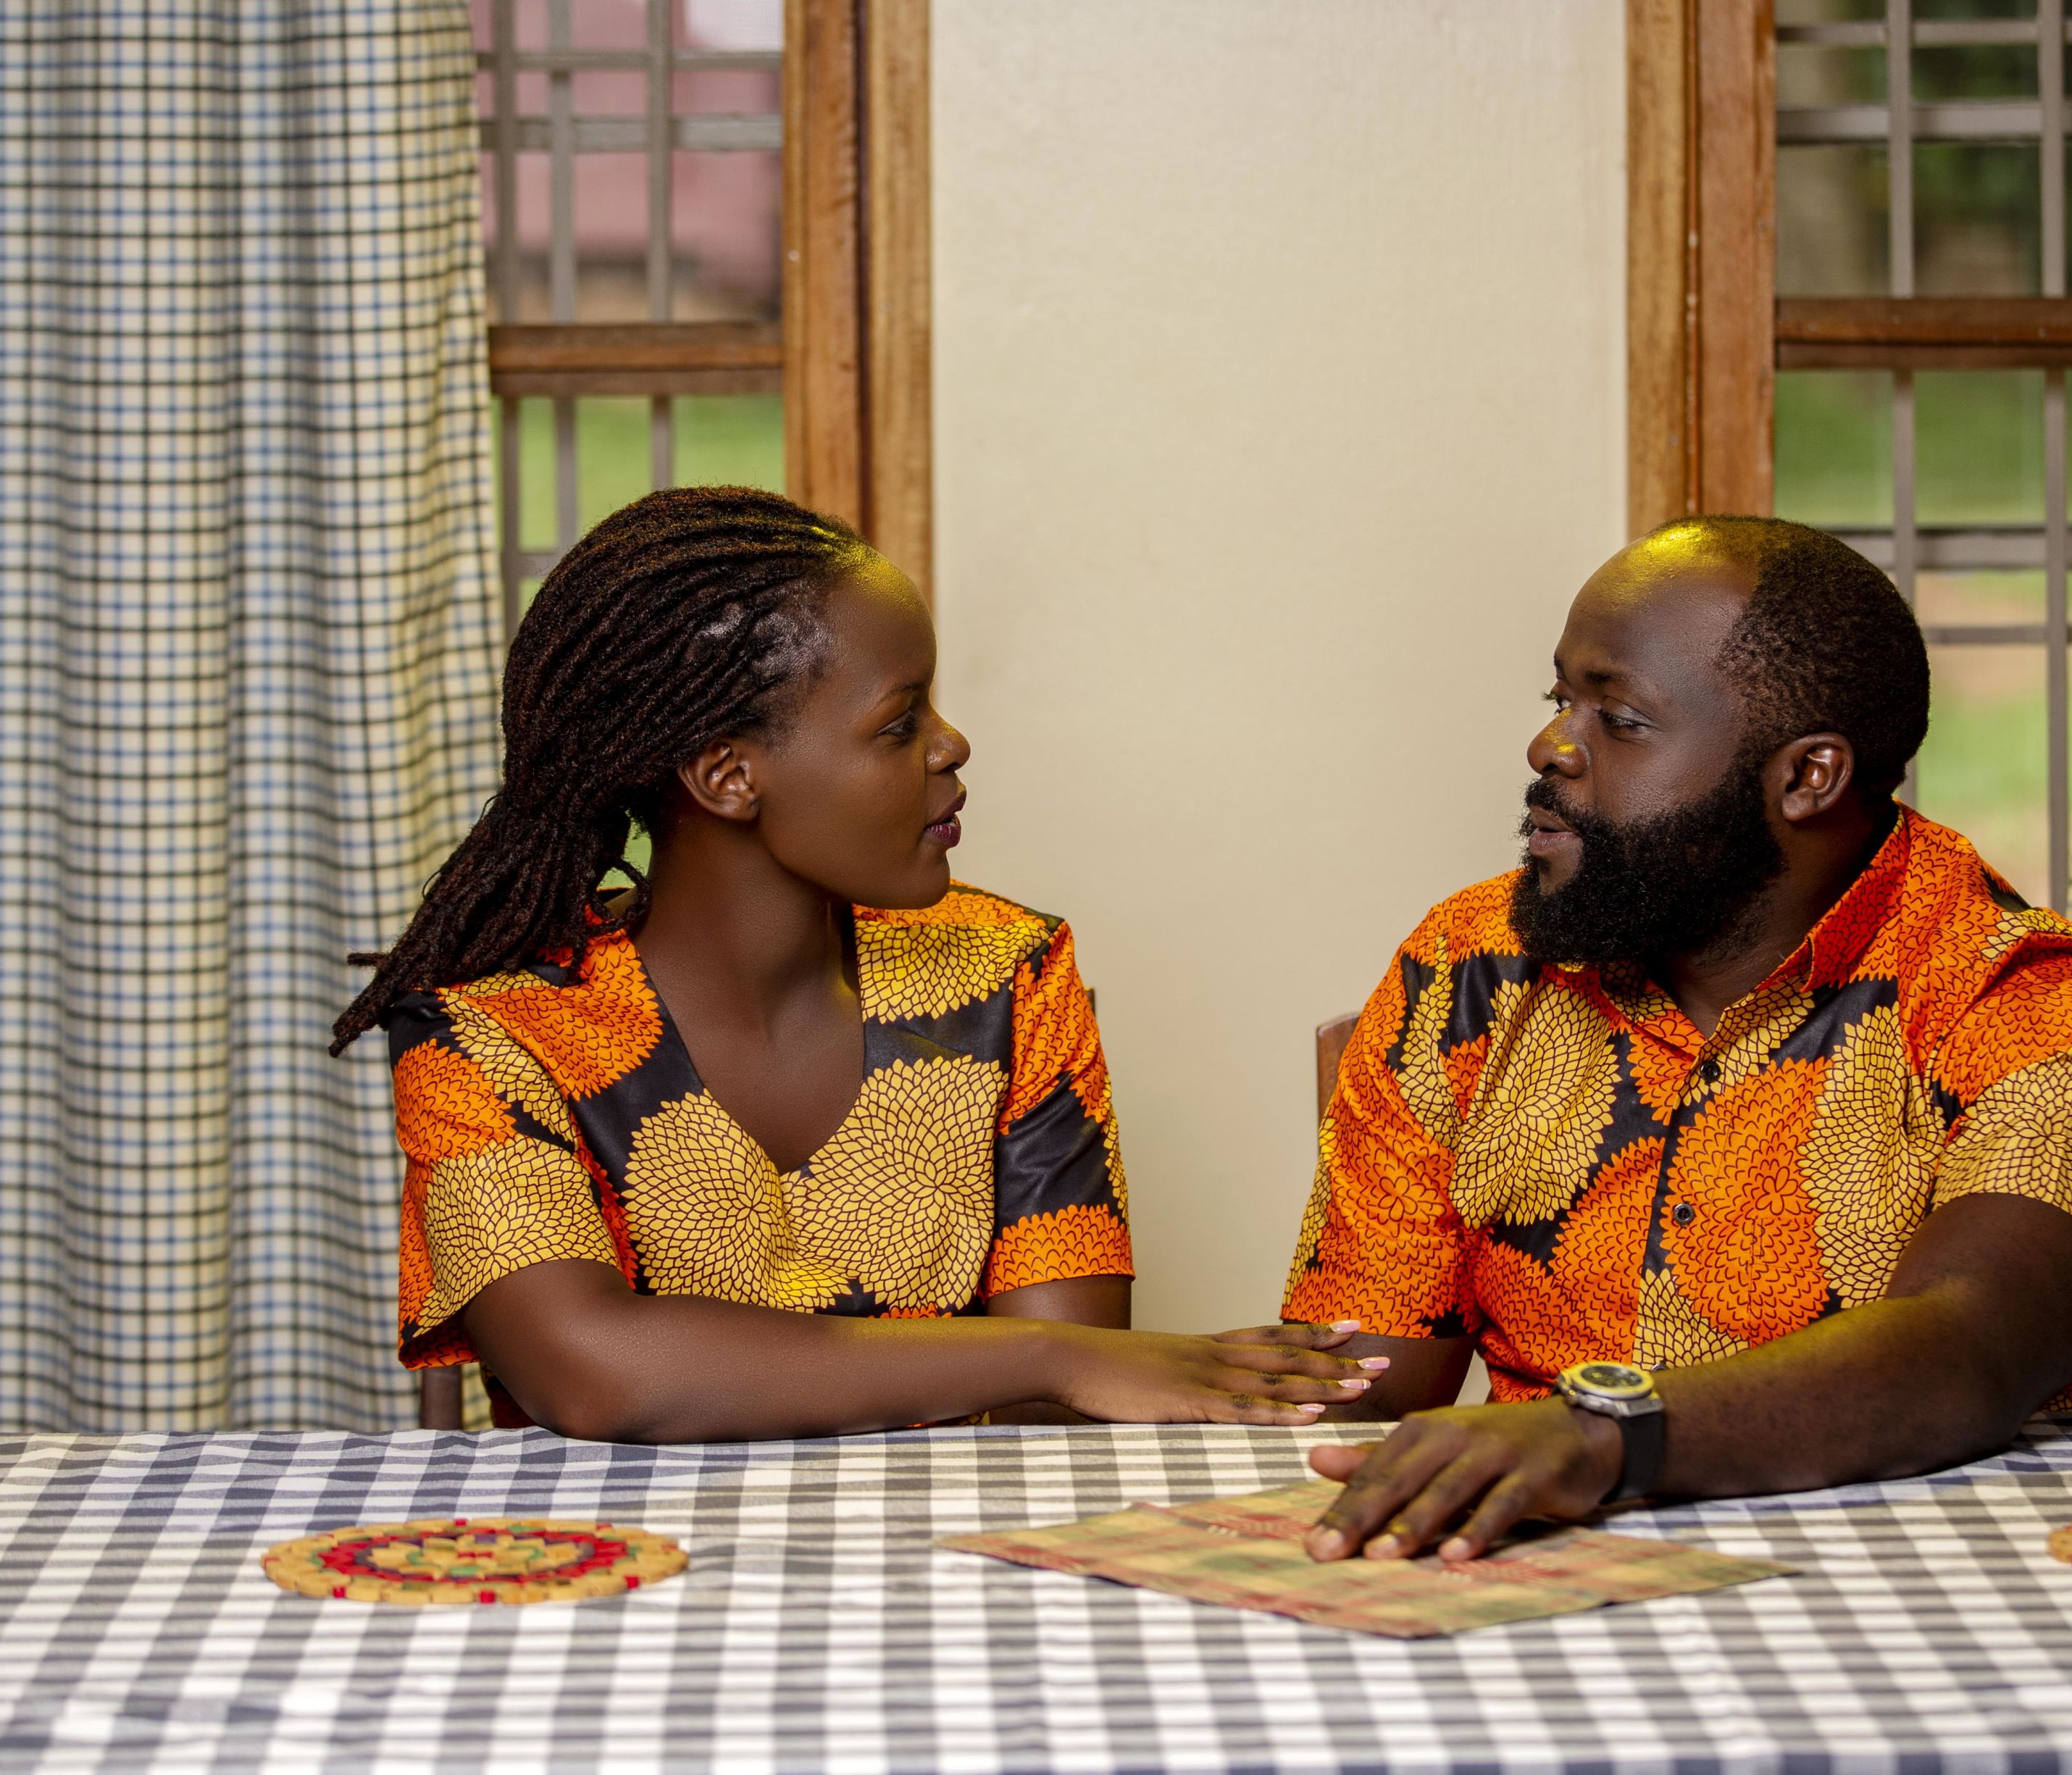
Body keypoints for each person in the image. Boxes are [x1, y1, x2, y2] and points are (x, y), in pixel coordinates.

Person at [333, 487, 1382, 1438]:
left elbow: (1052, 1416)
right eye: (899, 722)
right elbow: (593, 1374)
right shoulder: (487, 1029)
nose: (952, 744)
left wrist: (1059, 1365)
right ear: (729, 776)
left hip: (943, 1558)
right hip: (620, 1572)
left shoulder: (1009, 973)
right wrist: (1049, 1357)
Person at [1275, 516, 2072, 1561]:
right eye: (1560, 701)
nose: (1551, 747)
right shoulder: (1470, 967)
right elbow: (1360, 1382)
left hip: (1922, 1572)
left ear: (1808, 776)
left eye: (1619, 719)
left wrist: (1599, 1438)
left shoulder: (2031, 1000)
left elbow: (1969, 1348)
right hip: (1539, 1567)